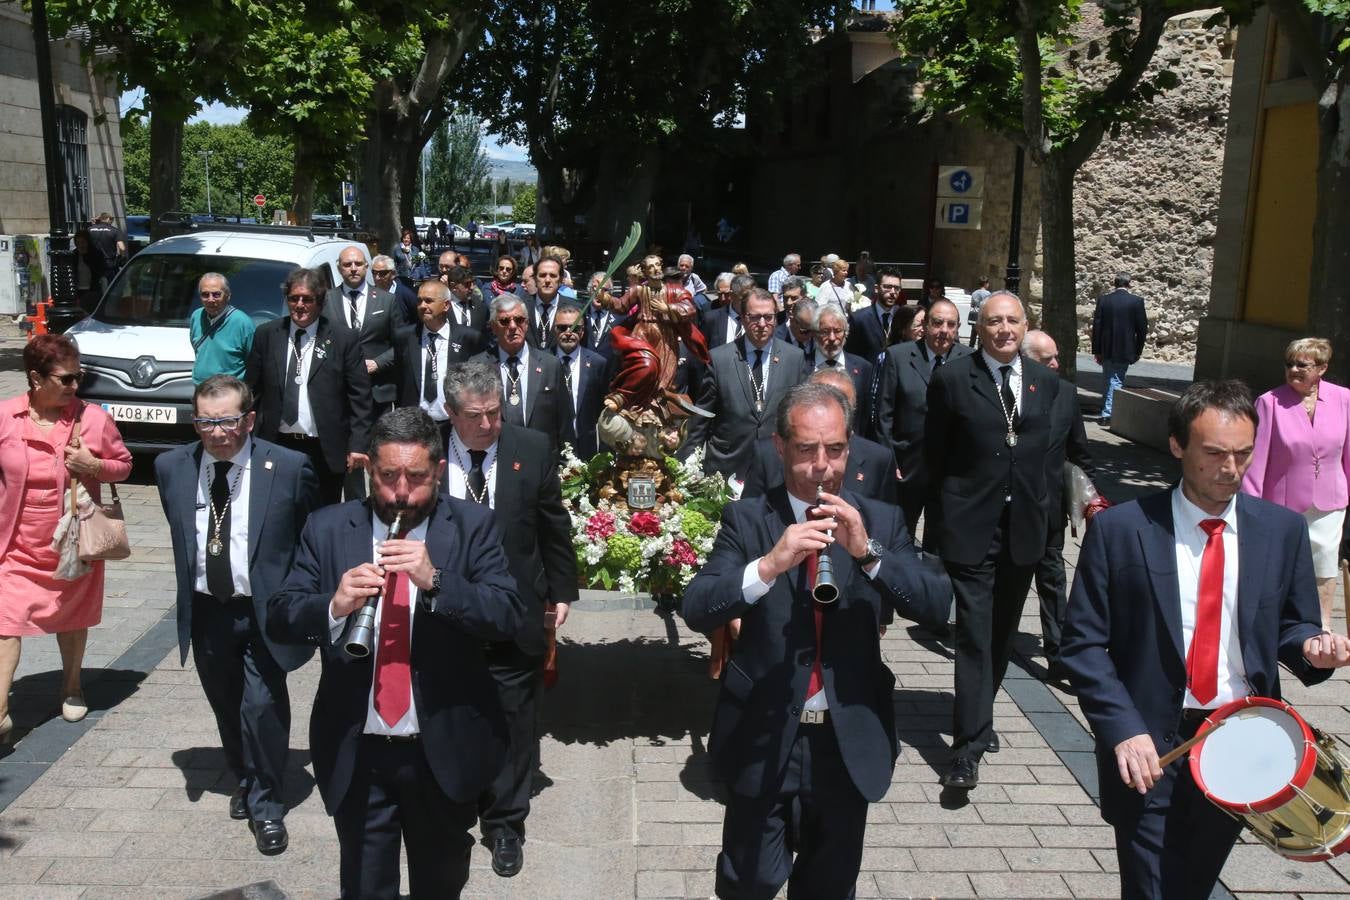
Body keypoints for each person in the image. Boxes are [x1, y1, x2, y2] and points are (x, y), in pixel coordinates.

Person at [1062, 380, 1350, 900]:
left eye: (1243, 454)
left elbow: (1292, 625)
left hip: (1240, 738)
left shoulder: (1280, 530)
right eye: (1214, 453)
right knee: (1149, 884)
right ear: (1177, 446)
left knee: (1194, 883)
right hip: (1151, 743)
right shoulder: (1123, 530)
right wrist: (1124, 729)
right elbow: (1082, 645)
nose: (1231, 468)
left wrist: (1313, 647)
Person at [681, 382, 949, 899]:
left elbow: (936, 605)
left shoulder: (880, 520)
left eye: (835, 449)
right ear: (780, 448)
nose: (821, 465)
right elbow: (698, 606)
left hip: (846, 741)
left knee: (829, 886)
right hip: (763, 732)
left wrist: (869, 554)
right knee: (749, 880)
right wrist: (768, 566)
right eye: (806, 449)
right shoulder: (748, 518)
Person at [266, 408, 524, 899]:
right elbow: (280, 614)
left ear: (438, 473)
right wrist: (333, 606)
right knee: (364, 887)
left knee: (440, 884)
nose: (401, 492)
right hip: (357, 750)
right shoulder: (327, 527)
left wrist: (437, 582)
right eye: (387, 477)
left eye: (416, 478)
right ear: (370, 472)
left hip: (440, 750)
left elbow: (508, 615)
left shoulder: (474, 526)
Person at [154, 375, 317, 855]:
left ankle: (268, 804)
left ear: (248, 419)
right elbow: (181, 530)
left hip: (264, 609)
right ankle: (246, 776)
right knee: (227, 704)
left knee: (261, 705)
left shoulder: (287, 467)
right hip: (208, 611)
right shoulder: (171, 467)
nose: (217, 433)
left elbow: (309, 536)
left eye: (227, 421)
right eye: (206, 422)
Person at [438, 362, 577, 878]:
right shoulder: (429, 452)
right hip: (445, 612)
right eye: (475, 416)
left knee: (517, 722)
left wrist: (561, 591)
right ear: (451, 414)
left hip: (516, 607)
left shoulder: (531, 448)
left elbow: (551, 523)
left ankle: (505, 825)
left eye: (495, 413)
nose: (488, 425)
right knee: (448, 712)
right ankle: (451, 809)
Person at [925, 292, 1062, 789]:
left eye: (1012, 321)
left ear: (1025, 326)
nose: (1004, 329)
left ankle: (978, 718)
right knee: (975, 635)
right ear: (977, 330)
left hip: (1023, 527)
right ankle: (965, 751)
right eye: (993, 321)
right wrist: (940, 521)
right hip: (971, 525)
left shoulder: (1046, 382)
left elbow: (1049, 456)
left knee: (1002, 635)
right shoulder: (953, 379)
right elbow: (935, 454)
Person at [0, 334, 132, 738]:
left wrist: (93, 465)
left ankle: (72, 687)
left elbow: (123, 465)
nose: (76, 386)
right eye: (67, 378)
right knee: (5, 622)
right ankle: (0, 708)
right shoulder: (7, 416)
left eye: (79, 377)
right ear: (36, 379)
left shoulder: (92, 419)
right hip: (15, 541)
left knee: (71, 618)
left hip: (73, 539)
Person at [1243, 337, 1350, 630]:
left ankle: (1322, 624)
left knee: (1326, 561)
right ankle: (1274, 622)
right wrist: (1249, 505)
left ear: (1322, 368)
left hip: (1330, 499)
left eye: (1302, 365)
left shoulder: (1344, 399)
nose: (1293, 370)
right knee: (1278, 564)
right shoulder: (1269, 402)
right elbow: (1256, 458)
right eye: (1289, 364)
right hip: (1281, 503)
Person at [245, 267, 374, 506]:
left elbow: (360, 397)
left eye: (307, 299)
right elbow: (251, 390)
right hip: (277, 444)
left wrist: (358, 445)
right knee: (277, 513)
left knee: (322, 518)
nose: (300, 305)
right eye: (294, 298)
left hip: (324, 448)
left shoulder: (342, 338)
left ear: (320, 301)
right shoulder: (267, 335)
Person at [1022, 330, 1097, 682]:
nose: (1056, 364)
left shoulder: (1066, 394)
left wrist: (1093, 501)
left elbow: (1080, 453)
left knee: (1053, 580)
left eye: (1056, 357)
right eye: (1046, 359)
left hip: (1050, 509)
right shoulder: (1009, 391)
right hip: (1009, 509)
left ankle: (1058, 653)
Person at [686, 287, 805, 482]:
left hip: (776, 466)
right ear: (742, 318)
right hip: (727, 465)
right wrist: (688, 463)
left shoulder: (794, 358)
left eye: (768, 317)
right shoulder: (719, 358)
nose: (762, 324)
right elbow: (702, 418)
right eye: (754, 317)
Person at [873, 297, 971, 535]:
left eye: (951, 325)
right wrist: (889, 459)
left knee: (940, 542)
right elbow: (883, 414)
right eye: (937, 323)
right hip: (907, 465)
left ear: (958, 328)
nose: (944, 331)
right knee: (898, 534)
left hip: (950, 469)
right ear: (925, 325)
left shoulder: (968, 359)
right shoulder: (898, 356)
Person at [741, 367, 897, 504]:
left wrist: (862, 538)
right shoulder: (767, 453)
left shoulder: (878, 460)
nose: (826, 410)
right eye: (820, 399)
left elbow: (886, 527)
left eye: (839, 402)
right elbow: (748, 521)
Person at [476, 292, 574, 450]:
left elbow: (564, 422)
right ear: (493, 327)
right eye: (504, 321)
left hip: (541, 459)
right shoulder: (478, 365)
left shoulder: (551, 365)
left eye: (519, 320)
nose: (513, 326)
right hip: (497, 457)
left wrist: (567, 466)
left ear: (527, 324)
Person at [393, 280, 479, 445]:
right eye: (419, 301)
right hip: (414, 425)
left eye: (429, 301)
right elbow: (399, 379)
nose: (422, 305)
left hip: (453, 424)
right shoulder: (404, 337)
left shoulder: (468, 338)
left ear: (446, 305)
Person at [326, 246, 405, 420]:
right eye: (347, 264)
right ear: (339, 268)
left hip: (378, 392)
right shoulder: (326, 300)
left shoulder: (387, 300)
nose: (353, 268)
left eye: (358, 264)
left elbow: (402, 344)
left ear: (366, 267)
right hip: (339, 392)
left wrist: (378, 363)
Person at [1090, 272, 1149, 425]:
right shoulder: (1136, 302)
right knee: (1116, 380)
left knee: (1108, 379)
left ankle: (1106, 409)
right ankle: (1107, 414)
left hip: (1106, 347)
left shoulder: (1104, 300)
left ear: (1115, 283)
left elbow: (1097, 327)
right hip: (1125, 347)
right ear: (1129, 284)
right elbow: (1142, 329)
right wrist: (1138, 350)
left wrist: (1096, 349)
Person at [552, 304, 607, 459]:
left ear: (582, 331)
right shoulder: (542, 362)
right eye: (562, 328)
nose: (568, 333)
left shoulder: (598, 363)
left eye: (575, 328)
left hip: (586, 446)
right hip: (552, 446)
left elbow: (603, 410)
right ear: (554, 330)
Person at [190, 273, 255, 383]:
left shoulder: (242, 323)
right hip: (200, 390)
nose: (210, 299)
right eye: (205, 294)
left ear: (228, 295)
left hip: (229, 393)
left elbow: (254, 363)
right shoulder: (196, 316)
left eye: (216, 294)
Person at [845, 267, 905, 364]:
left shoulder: (903, 317)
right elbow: (850, 355)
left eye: (897, 288)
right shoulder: (859, 318)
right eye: (888, 287)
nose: (893, 292)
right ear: (876, 289)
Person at [699, 273, 754, 349]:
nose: (723, 298)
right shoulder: (711, 318)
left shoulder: (759, 318)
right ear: (732, 295)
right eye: (743, 298)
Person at [526, 255, 567, 350]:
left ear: (560, 280)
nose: (547, 280)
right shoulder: (521, 305)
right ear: (535, 279)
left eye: (553, 276)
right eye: (542, 275)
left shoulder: (574, 308)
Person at [371, 254, 418, 325]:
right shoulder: (370, 294)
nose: (377, 277)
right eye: (374, 273)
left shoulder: (407, 295)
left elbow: (417, 320)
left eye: (382, 273)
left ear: (393, 274)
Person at [967, 277, 992, 347]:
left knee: (973, 334)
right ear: (985, 283)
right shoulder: (988, 294)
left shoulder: (974, 293)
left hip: (974, 314)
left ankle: (970, 349)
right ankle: (979, 350)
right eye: (988, 283)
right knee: (981, 335)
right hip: (982, 315)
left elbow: (972, 304)